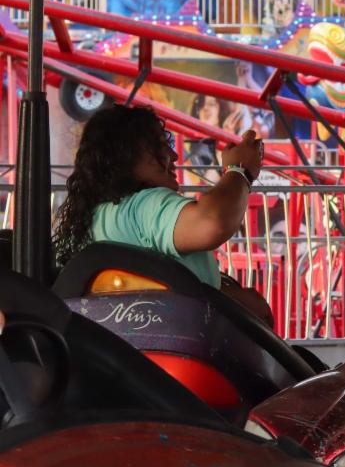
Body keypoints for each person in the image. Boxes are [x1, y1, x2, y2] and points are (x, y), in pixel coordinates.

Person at [53, 105, 273, 324]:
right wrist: (240, 170)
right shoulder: (142, 207)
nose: (174, 155)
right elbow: (213, 222)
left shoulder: (97, 218)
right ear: (124, 153)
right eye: (160, 146)